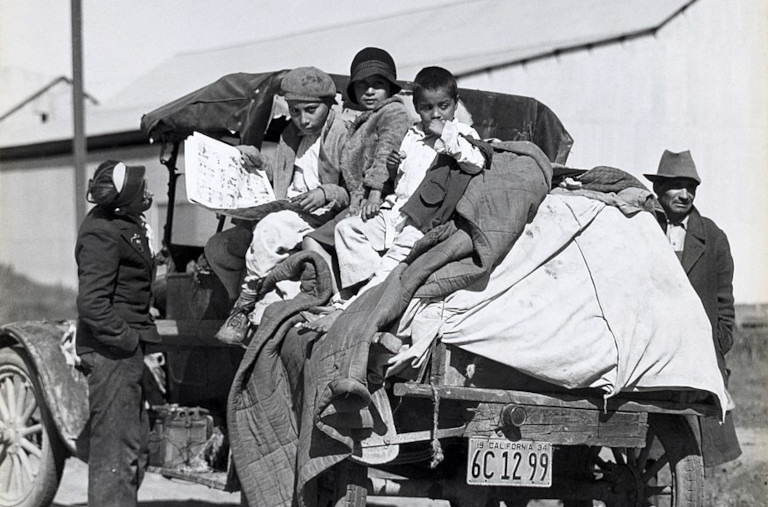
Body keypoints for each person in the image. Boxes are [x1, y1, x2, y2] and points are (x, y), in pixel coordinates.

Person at [304, 66, 488, 331]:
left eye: (443, 106)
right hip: (396, 211)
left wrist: (445, 134)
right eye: (427, 108)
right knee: (348, 229)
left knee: (391, 263)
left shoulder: (463, 134)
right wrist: (392, 167)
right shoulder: (412, 134)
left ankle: (349, 310)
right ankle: (364, 296)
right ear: (417, 107)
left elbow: (475, 162)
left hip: (425, 218)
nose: (436, 114)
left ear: (455, 105)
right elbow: (403, 177)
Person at [213, 66, 349, 344]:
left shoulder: (343, 134)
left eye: (311, 110)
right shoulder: (290, 135)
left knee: (270, 229)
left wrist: (326, 193)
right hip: (288, 210)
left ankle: (245, 305)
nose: (303, 119)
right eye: (296, 111)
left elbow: (354, 190)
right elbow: (284, 178)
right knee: (218, 248)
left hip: (320, 217)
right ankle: (244, 296)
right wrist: (260, 162)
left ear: (328, 104)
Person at [644, 149, 742, 467]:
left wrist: (717, 344)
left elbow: (725, 304)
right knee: (645, 449)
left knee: (692, 454)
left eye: (691, 187)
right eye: (676, 186)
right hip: (649, 359)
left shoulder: (713, 238)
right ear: (659, 188)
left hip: (698, 364)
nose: (685, 195)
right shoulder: (642, 229)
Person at [75, 160, 159, 506]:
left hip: (122, 352)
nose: (149, 193)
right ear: (124, 201)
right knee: (115, 454)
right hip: (112, 352)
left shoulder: (121, 223)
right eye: (142, 190)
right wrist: (128, 340)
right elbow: (93, 303)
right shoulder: (102, 231)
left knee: (134, 448)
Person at [302, 47, 413, 291]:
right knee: (313, 241)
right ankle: (335, 296)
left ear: (390, 87)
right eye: (362, 85)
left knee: (322, 239)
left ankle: (354, 298)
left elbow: (387, 151)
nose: (370, 90)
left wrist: (374, 194)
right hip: (357, 203)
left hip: (380, 202)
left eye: (378, 83)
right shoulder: (365, 119)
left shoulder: (393, 112)